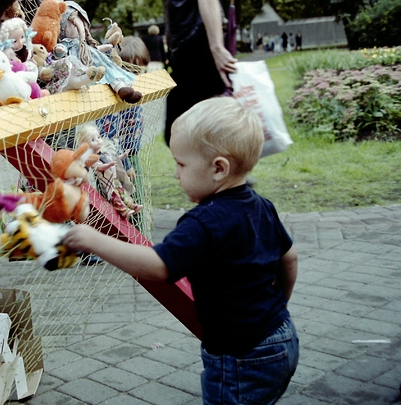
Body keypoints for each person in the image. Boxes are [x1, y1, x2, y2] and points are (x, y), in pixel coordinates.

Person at [64, 97, 299, 405]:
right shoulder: (262, 206)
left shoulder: (203, 222)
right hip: (282, 335)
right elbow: (290, 258)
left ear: (218, 169)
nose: (176, 174)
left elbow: (158, 265)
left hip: (240, 355)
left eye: (181, 164)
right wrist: (280, 301)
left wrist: (95, 241)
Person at [163, 0, 237, 146]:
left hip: (196, 47)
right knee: (189, 135)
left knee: (188, 136)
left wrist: (216, 48)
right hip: (190, 46)